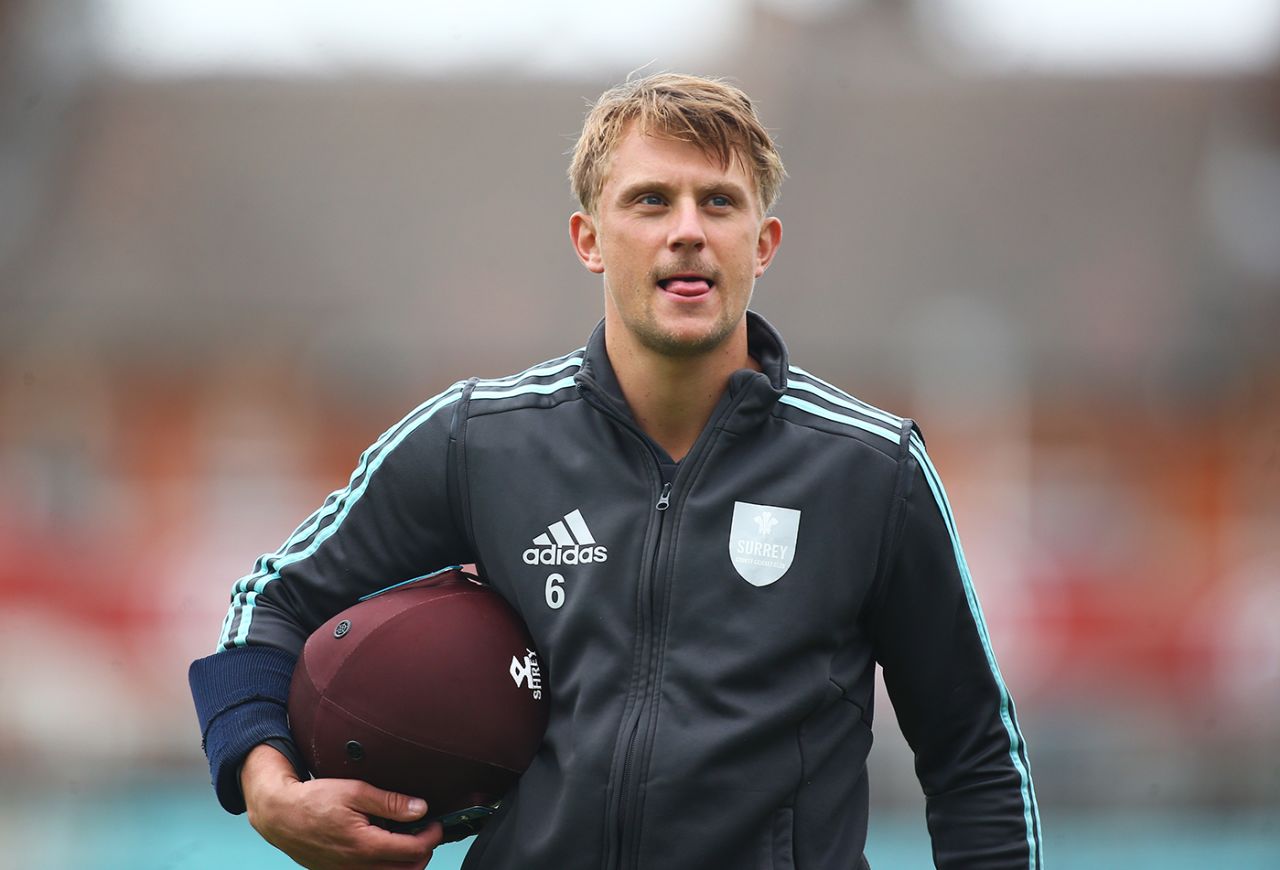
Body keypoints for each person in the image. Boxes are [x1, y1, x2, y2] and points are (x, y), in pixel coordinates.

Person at [190, 72, 1043, 869]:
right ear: (589, 239)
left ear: (763, 242)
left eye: (719, 202)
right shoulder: (478, 440)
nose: (687, 230)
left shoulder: (870, 469)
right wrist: (267, 791)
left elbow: (974, 756)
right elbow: (271, 603)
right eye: (649, 200)